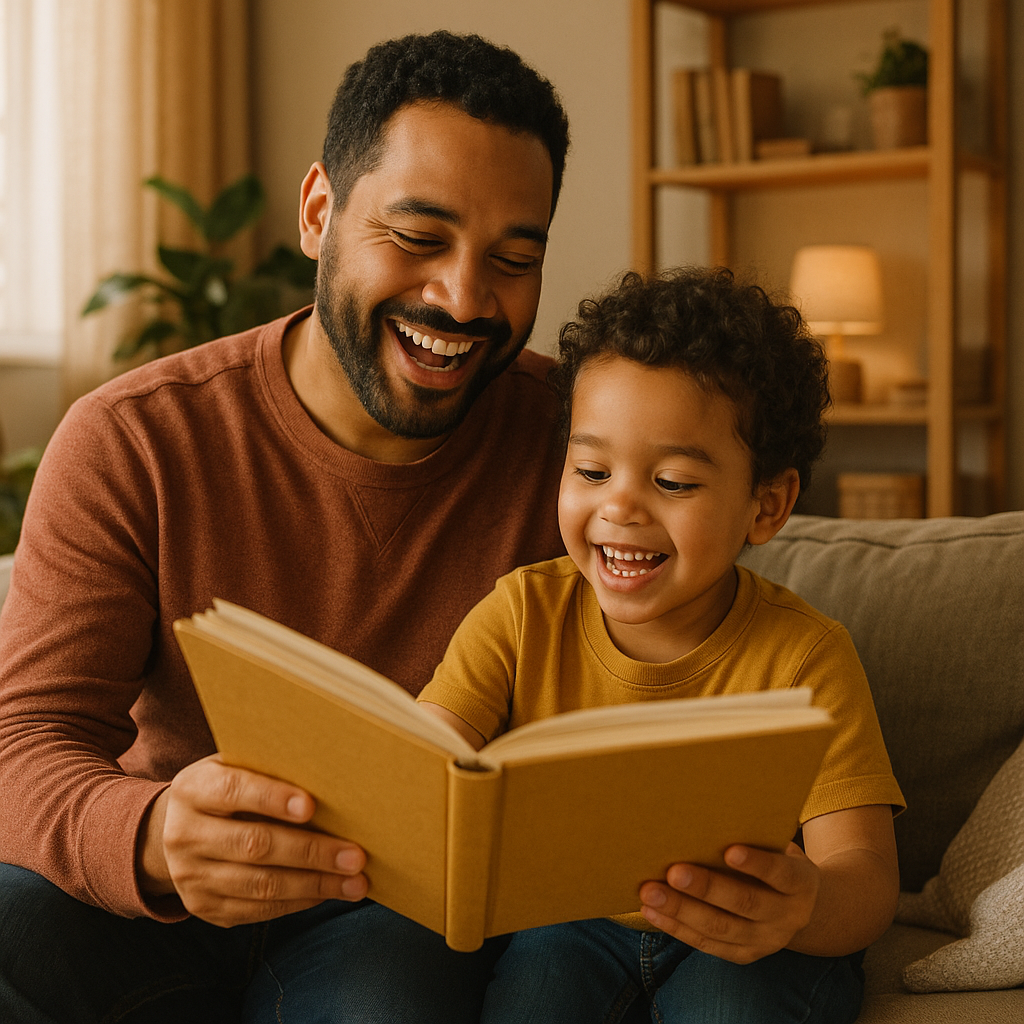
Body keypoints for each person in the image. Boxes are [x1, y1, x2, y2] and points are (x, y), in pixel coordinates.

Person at [0, 31, 571, 1023]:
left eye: (513, 259)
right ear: (320, 212)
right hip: (158, 885)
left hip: (388, 911)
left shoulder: (581, 446)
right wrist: (153, 833)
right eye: (418, 235)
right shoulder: (133, 439)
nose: (464, 298)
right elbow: (22, 741)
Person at [418, 266, 906, 1024]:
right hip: (572, 922)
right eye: (591, 469)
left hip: (748, 942)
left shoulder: (806, 656)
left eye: (673, 482)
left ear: (767, 505)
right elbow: (424, 759)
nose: (619, 505)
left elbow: (866, 873)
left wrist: (805, 908)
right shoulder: (521, 614)